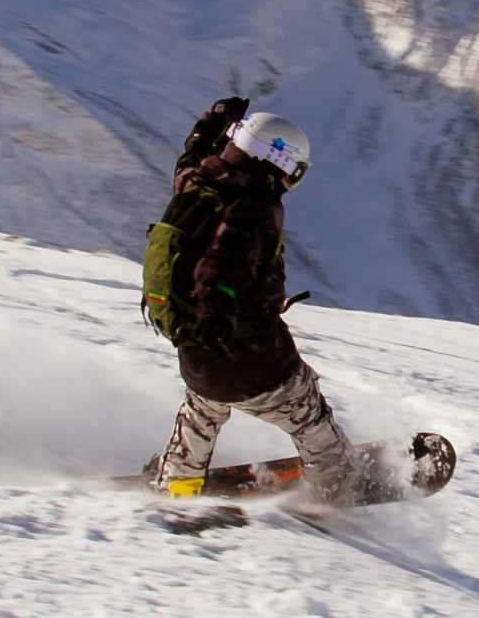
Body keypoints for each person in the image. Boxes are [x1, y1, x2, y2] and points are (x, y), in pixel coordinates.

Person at [150, 96, 357, 504]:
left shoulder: (197, 185)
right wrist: (218, 311)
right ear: (278, 164)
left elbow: (187, 161)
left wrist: (208, 127)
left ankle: (180, 481)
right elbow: (221, 262)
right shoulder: (256, 209)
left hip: (196, 354)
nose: (290, 185)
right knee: (307, 411)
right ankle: (337, 483)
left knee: (203, 411)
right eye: (294, 173)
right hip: (254, 356)